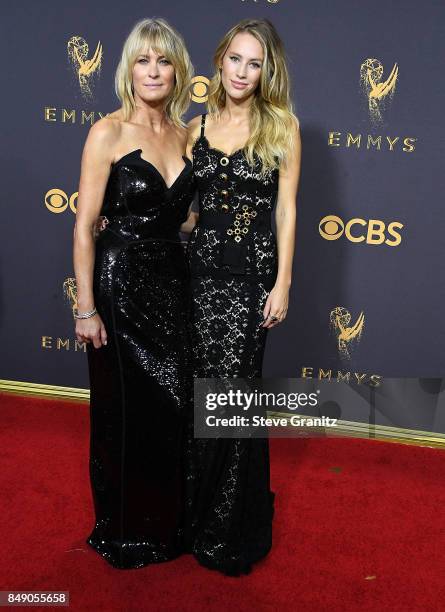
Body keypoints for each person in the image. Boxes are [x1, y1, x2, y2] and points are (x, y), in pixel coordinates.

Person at [73, 17, 195, 569]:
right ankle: (125, 530)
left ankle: (169, 523)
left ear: (177, 71)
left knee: (172, 407)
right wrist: (85, 308)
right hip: (120, 286)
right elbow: (84, 226)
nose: (153, 70)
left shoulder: (188, 134)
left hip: (174, 282)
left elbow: (185, 220)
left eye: (163, 61)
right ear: (128, 68)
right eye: (143, 60)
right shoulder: (108, 132)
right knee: (125, 410)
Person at [183, 18, 301, 576]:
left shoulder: (282, 126)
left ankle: (230, 526)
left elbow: (287, 210)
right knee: (198, 397)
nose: (242, 72)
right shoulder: (194, 127)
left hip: (252, 282)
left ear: (266, 70)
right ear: (220, 59)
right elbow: (187, 213)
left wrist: (283, 283)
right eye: (236, 59)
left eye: (255, 63)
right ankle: (194, 515)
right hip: (198, 278)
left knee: (232, 403)